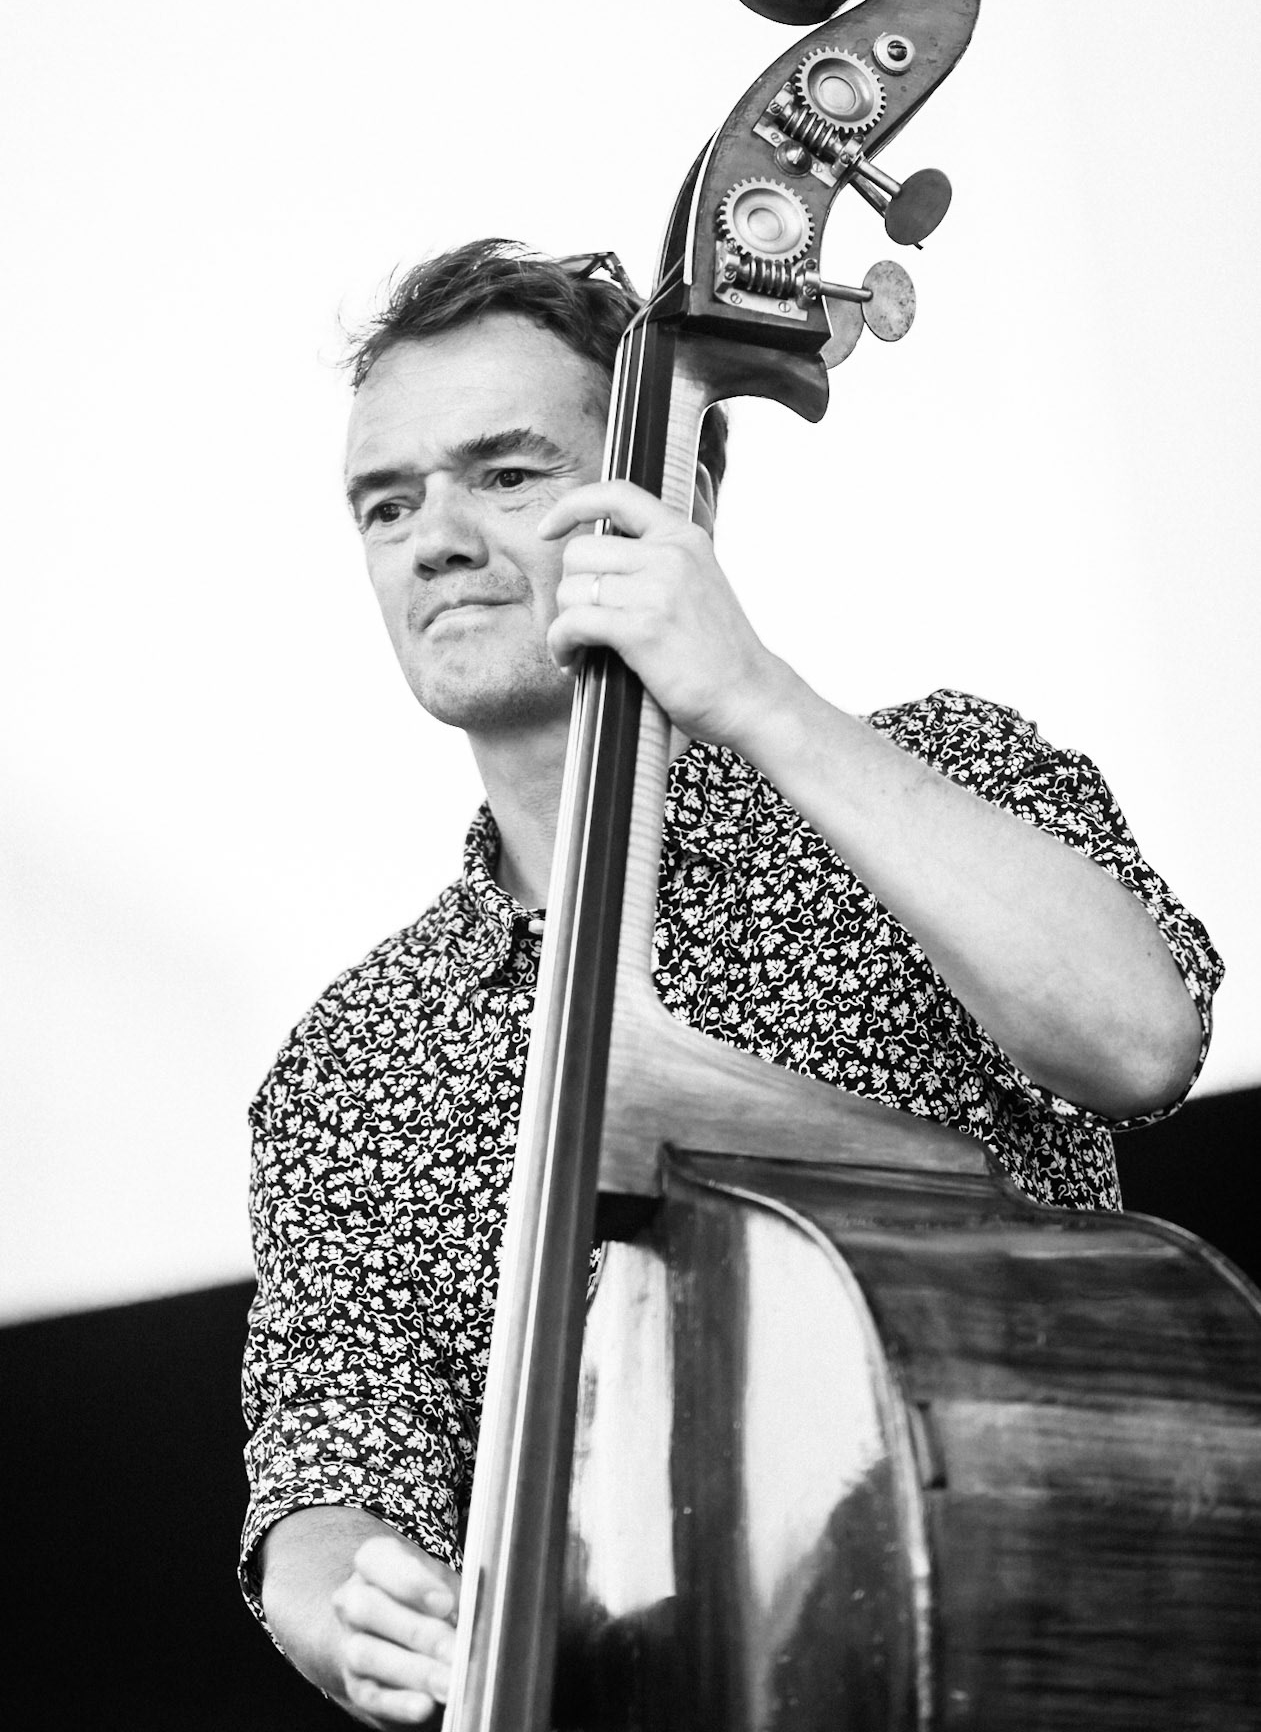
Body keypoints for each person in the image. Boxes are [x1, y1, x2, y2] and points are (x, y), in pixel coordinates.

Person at [240, 239, 1219, 1726]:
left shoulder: (937, 772)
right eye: (388, 503)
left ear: (672, 488)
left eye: (504, 476)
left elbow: (1137, 1039)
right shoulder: (354, 1057)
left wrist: (748, 691)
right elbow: (328, 1473)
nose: (434, 536)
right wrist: (352, 1601)